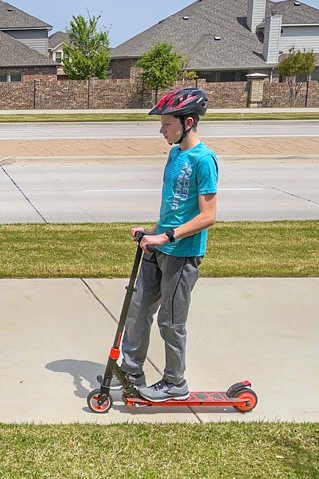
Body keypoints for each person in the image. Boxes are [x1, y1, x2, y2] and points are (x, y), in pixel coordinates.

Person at [116, 87, 219, 401]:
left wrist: (168, 236)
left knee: (171, 322)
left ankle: (175, 382)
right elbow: (174, 205)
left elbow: (208, 216)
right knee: (138, 310)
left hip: (183, 254)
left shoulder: (204, 159)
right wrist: (153, 231)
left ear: (187, 123)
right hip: (160, 247)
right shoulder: (175, 154)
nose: (161, 130)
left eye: (167, 124)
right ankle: (131, 371)